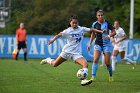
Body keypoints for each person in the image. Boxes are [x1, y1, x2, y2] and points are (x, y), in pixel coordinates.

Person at [40, 15, 104, 86]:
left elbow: (92, 29)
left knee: (85, 63)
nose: (74, 24)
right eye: (73, 23)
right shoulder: (67, 31)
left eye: (76, 23)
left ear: (78, 23)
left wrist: (100, 31)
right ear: (70, 23)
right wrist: (52, 40)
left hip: (76, 54)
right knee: (55, 64)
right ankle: (48, 60)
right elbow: (59, 35)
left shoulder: (81, 29)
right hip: (66, 52)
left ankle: (83, 80)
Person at [87, 9, 116, 82]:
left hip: (107, 44)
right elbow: (93, 34)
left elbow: (114, 32)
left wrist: (108, 36)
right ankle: (93, 77)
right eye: (99, 15)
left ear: (103, 16)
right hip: (98, 44)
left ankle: (110, 75)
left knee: (107, 62)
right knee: (95, 59)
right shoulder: (94, 24)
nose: (100, 16)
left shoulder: (107, 23)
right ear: (96, 16)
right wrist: (89, 43)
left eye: (101, 15)